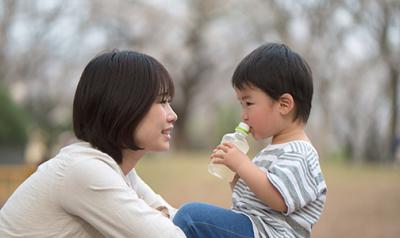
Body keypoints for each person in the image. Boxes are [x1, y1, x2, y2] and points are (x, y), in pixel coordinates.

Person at [0, 50, 186, 237]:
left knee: (193, 215)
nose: (173, 115)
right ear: (125, 106)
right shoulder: (84, 169)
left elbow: (176, 219)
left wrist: (160, 215)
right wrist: (159, 216)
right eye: (162, 102)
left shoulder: (118, 169)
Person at [173, 43, 327, 238]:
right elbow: (251, 198)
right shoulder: (275, 149)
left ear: (284, 104)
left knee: (191, 217)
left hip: (268, 233)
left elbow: (279, 199)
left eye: (249, 103)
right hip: (254, 228)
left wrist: (241, 163)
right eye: (241, 104)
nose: (244, 115)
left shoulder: (300, 153)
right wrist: (235, 174)